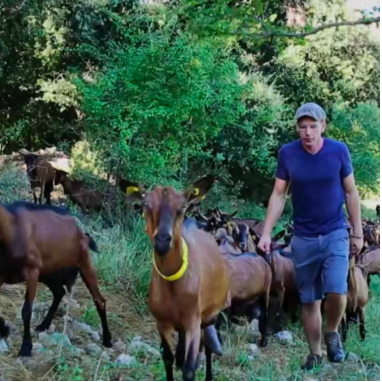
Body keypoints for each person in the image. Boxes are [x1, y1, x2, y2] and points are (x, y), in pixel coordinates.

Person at [258, 102, 363, 370]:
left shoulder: (338, 151)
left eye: (313, 126)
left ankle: (332, 333)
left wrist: (358, 233)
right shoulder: (288, 154)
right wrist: (266, 232)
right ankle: (315, 354)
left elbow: (351, 193)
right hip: (303, 237)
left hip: (335, 232)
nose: (307, 132)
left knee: (337, 289)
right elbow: (279, 194)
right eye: (302, 127)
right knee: (309, 299)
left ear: (323, 126)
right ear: (297, 129)